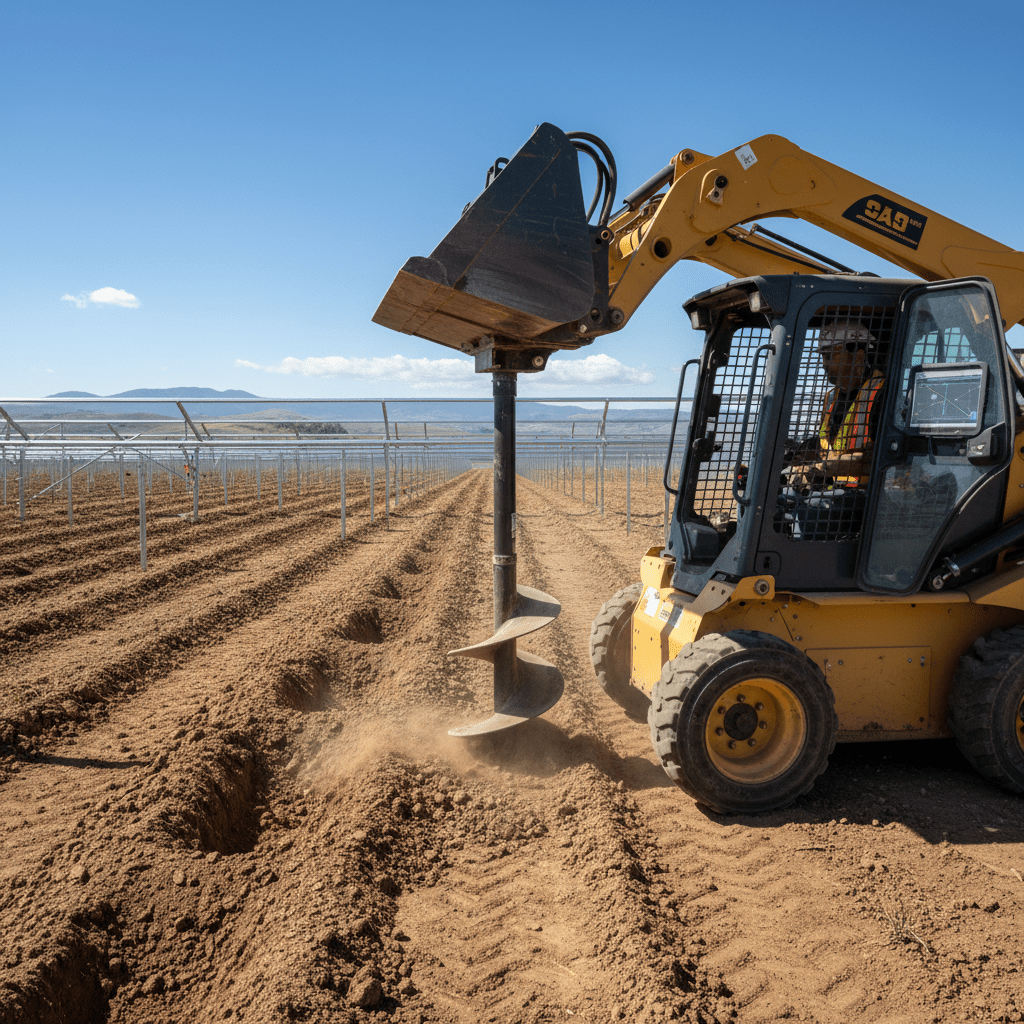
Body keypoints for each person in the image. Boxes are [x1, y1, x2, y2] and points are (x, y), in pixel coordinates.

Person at [787, 318, 885, 493]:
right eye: (823, 356)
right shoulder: (832, 397)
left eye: (830, 356)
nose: (824, 364)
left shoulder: (881, 394)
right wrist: (801, 452)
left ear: (859, 355)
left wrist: (824, 468)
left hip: (868, 495)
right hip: (835, 491)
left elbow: (881, 458)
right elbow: (830, 445)